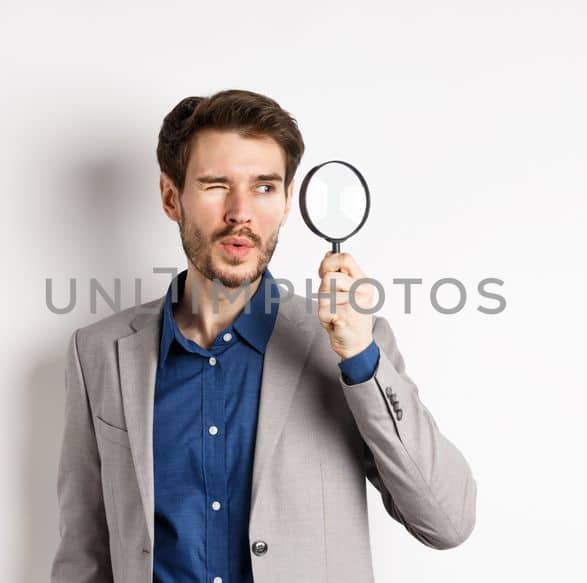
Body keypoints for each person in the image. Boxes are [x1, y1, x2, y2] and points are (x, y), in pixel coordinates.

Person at [51, 89, 475, 583]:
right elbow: (83, 553)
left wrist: (361, 358)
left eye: (264, 187)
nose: (241, 212)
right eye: (215, 185)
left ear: (288, 200)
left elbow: (448, 522)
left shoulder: (349, 348)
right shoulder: (98, 353)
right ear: (172, 197)